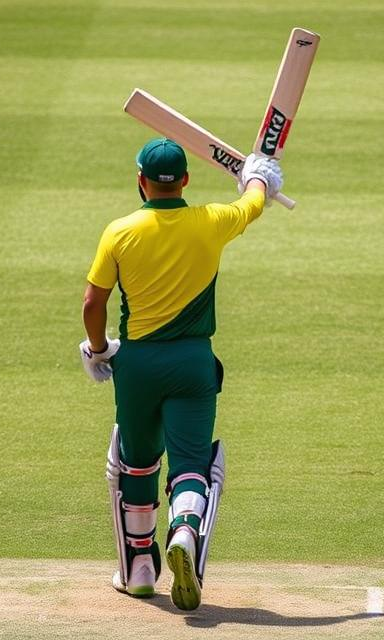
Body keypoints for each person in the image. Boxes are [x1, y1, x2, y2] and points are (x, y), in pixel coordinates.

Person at [79, 138, 283, 611]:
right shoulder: (211, 221)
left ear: (140, 180)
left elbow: (94, 303)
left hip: (138, 365)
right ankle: (186, 533)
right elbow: (252, 202)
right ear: (186, 180)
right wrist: (258, 174)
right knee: (191, 464)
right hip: (193, 363)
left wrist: (96, 349)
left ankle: (140, 570)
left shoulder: (120, 232)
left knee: (137, 461)